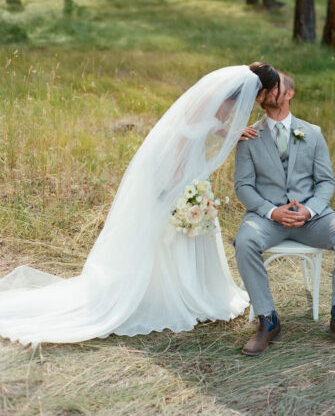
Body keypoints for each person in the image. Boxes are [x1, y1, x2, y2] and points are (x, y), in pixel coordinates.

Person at [0, 64, 279, 346]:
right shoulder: (213, 98)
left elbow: (209, 125)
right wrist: (177, 179)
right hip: (174, 166)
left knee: (187, 226)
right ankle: (164, 294)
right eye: (265, 95)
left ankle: (192, 290)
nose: (260, 101)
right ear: (260, 91)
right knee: (167, 226)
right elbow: (184, 134)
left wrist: (230, 134)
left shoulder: (224, 98)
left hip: (187, 168)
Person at [234, 65, 335, 356]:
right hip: (267, 218)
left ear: (289, 93)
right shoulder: (248, 136)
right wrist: (272, 212)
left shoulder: (313, 133)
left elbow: (326, 181)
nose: (267, 91)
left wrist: (308, 210)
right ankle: (268, 322)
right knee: (244, 241)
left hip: (311, 218)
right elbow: (243, 185)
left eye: (274, 86)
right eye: (263, 89)